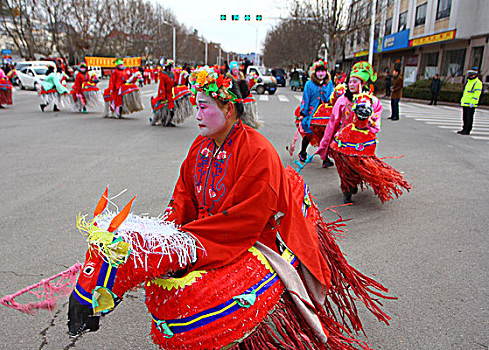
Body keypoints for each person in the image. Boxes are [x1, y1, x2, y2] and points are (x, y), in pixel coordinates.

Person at [64, 66, 393, 349]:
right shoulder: (200, 144)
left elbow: (246, 218)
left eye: (205, 106)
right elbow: (183, 195)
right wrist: (168, 231)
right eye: (196, 106)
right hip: (207, 231)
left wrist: (188, 241)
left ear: (230, 109)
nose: (197, 114)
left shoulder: (259, 151)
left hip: (250, 233)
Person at [315, 61, 410, 204]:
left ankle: (354, 182)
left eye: (355, 82)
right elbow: (332, 123)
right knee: (345, 169)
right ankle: (347, 188)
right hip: (343, 142)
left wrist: (369, 121)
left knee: (359, 166)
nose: (351, 84)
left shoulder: (371, 101)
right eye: (350, 82)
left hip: (362, 143)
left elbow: (375, 123)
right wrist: (325, 143)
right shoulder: (342, 101)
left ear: (362, 83)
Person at [297, 60, 334, 167]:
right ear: (315, 72)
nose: (321, 73)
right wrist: (303, 113)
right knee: (309, 133)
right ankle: (303, 152)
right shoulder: (309, 84)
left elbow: (330, 97)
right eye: (319, 71)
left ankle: (325, 158)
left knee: (326, 135)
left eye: (323, 71)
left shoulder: (329, 83)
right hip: (311, 113)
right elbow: (305, 99)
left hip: (325, 113)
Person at [458, 69, 483, 135]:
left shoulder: (477, 83)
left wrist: (473, 102)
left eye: (471, 75)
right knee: (465, 117)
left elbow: (477, 94)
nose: (469, 76)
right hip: (465, 102)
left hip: (471, 103)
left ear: (475, 75)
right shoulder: (468, 82)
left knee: (469, 117)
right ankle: (464, 128)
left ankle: (467, 130)